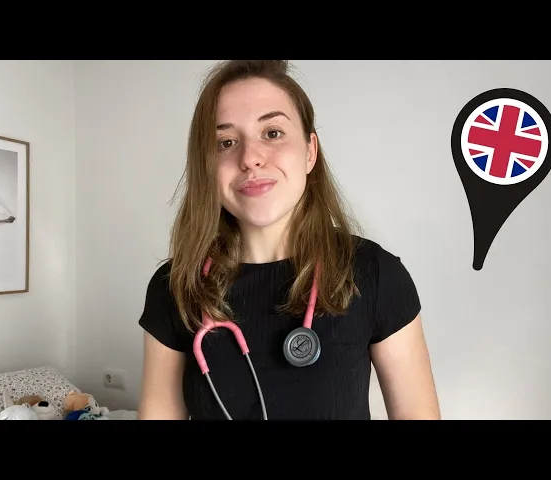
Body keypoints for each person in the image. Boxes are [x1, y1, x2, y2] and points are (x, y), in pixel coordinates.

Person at [137, 60, 440, 420]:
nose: (250, 158)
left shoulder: (375, 274)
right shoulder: (175, 288)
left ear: (310, 151)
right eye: (226, 142)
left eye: (272, 133)